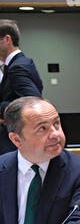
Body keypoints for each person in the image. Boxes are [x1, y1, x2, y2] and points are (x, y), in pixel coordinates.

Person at [0, 96, 80, 224]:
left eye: (57, 124)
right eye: (42, 129)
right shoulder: (2, 169)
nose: (55, 134)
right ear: (16, 140)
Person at [0, 19, 43, 155]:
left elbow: (32, 100)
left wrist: (1, 109)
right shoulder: (23, 62)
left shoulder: (17, 67)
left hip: (13, 139)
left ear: (7, 39)